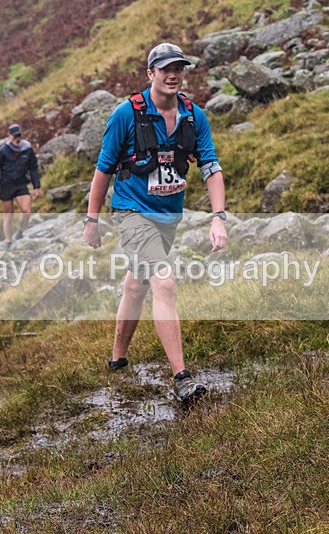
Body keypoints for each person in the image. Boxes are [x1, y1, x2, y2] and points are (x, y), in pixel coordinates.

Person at [82, 43, 228, 404]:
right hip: (132, 213)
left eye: (178, 67)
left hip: (167, 217)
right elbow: (104, 170)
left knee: (136, 286)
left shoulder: (194, 117)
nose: (172, 74)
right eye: (164, 68)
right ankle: (182, 378)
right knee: (163, 282)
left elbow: (211, 167)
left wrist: (218, 217)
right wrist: (92, 220)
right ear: (150, 74)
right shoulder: (125, 114)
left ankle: (117, 361)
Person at [0, 123, 41, 243]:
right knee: (9, 214)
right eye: (15, 136)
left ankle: (21, 232)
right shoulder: (3, 151)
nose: (17, 138)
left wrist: (36, 186)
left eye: (19, 136)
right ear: (9, 136)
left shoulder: (27, 149)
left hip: (21, 183)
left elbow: (33, 168)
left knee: (27, 211)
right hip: (6, 185)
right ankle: (8, 241)